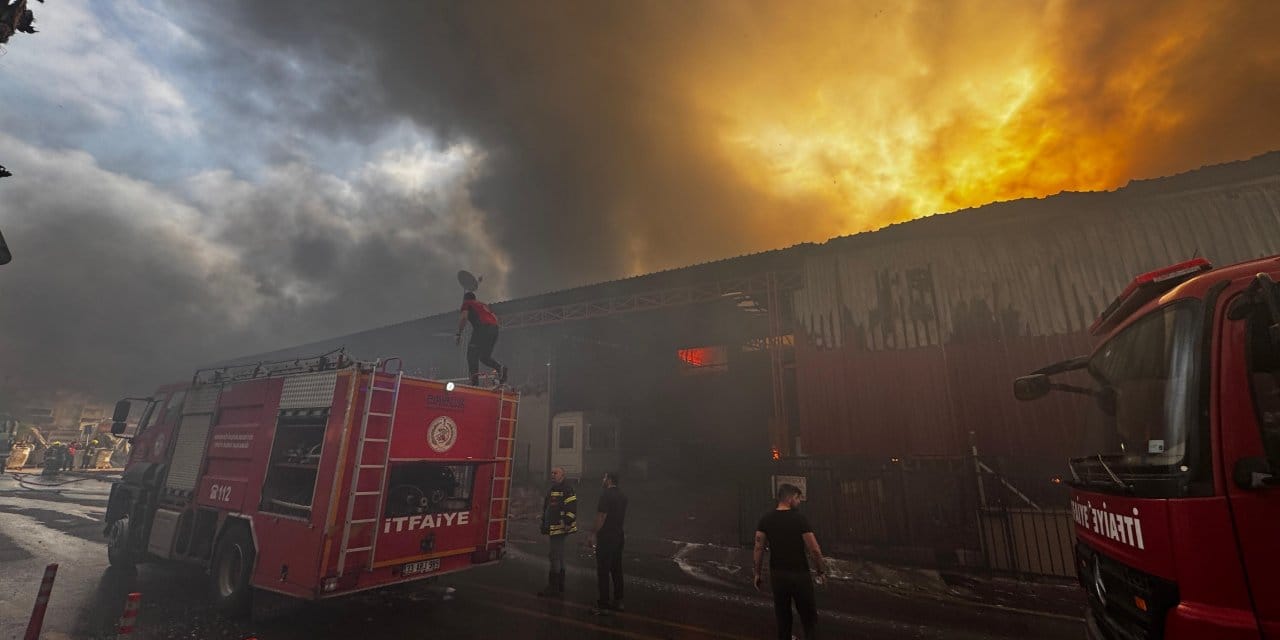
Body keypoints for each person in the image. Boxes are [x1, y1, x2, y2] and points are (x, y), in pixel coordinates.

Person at [754, 483, 826, 640]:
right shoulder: (799, 519)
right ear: (791, 498)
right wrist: (820, 570)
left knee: (783, 616)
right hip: (800, 574)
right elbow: (814, 549)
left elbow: (758, 548)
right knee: (808, 617)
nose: (799, 502)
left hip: (778, 575)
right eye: (798, 498)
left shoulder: (765, 519)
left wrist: (757, 573)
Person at [588, 471, 628, 613]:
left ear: (609, 480)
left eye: (604, 477)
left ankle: (603, 602)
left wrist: (593, 533)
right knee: (617, 569)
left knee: (603, 570)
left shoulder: (606, 495)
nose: (603, 480)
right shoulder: (623, 496)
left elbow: (601, 516)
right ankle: (619, 600)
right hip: (618, 536)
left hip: (606, 537)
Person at [537, 467, 578, 597]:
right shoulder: (553, 489)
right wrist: (544, 523)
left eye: (556, 473)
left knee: (554, 556)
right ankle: (560, 586)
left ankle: (553, 587)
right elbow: (548, 508)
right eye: (552, 473)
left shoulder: (567, 489)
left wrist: (567, 522)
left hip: (560, 528)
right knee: (559, 556)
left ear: (563, 475)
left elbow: (572, 508)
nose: (553, 475)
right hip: (554, 527)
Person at [455, 291, 507, 387]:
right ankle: (500, 368)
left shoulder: (467, 303)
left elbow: (464, 318)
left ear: (465, 299)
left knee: (472, 355)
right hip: (494, 329)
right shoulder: (483, 305)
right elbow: (495, 318)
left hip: (482, 328)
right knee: (484, 357)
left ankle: (474, 383)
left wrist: (459, 334)